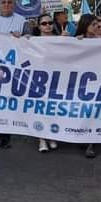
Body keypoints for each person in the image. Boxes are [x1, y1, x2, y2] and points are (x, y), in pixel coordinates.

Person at [0, 0, 31, 149]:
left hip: (12, 67)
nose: (6, 5)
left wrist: (22, 36)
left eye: (9, 2)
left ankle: (5, 136)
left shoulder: (21, 20)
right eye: (3, 2)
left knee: (7, 101)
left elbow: (29, 39)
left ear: (14, 4)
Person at [75, 14, 101, 158]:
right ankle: (82, 137)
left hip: (96, 82)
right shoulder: (77, 40)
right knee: (82, 111)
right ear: (85, 25)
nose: (96, 27)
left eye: (97, 25)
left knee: (94, 111)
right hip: (79, 84)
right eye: (93, 24)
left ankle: (91, 144)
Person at [34, 13, 58, 153]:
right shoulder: (32, 40)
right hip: (39, 79)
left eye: (50, 23)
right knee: (40, 108)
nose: (47, 25)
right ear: (39, 26)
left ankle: (52, 136)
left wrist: (75, 39)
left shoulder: (61, 39)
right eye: (44, 23)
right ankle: (42, 139)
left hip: (56, 79)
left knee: (53, 108)